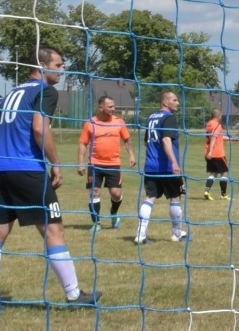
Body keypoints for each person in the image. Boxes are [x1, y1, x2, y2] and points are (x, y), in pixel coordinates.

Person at [0, 46, 95, 311]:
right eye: (59, 64)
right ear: (43, 66)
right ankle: (75, 295)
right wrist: (56, 164)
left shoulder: (9, 95)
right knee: (54, 230)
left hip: (0, 171)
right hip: (29, 170)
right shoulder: (45, 91)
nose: (63, 69)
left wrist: (6, 156)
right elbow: (40, 129)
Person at [135, 91, 188, 245]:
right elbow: (166, 140)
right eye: (175, 100)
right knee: (175, 197)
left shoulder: (151, 117)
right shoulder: (169, 117)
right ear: (165, 102)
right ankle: (177, 233)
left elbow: (147, 142)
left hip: (151, 166)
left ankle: (140, 234)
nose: (178, 103)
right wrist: (174, 162)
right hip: (166, 167)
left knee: (149, 198)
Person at [77, 95, 135, 229]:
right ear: (100, 107)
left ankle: (114, 213)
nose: (113, 109)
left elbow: (127, 139)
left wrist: (131, 155)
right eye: (110, 107)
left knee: (116, 194)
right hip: (94, 163)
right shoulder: (90, 123)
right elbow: (83, 144)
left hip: (113, 164)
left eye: (114, 106)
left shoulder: (119, 122)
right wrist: (80, 163)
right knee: (94, 192)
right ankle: (96, 223)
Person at [202, 109, 234, 200]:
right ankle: (223, 195)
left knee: (213, 173)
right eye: (221, 116)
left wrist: (232, 139)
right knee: (225, 172)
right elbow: (214, 138)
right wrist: (211, 152)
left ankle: (206, 192)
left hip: (208, 153)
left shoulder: (209, 124)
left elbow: (218, 136)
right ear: (218, 116)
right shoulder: (217, 125)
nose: (221, 117)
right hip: (217, 153)